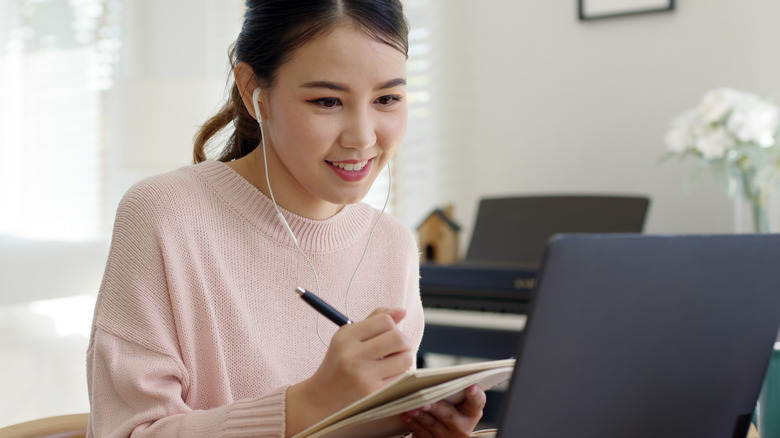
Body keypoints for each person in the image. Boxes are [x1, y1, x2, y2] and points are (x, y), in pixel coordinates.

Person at [86, 1, 487, 437]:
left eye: (387, 98)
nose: (363, 136)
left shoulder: (392, 243)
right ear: (253, 91)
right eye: (328, 100)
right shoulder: (164, 214)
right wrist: (309, 404)